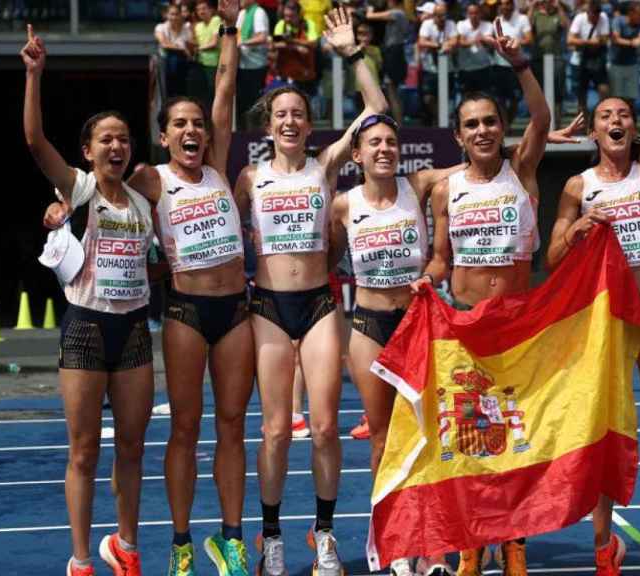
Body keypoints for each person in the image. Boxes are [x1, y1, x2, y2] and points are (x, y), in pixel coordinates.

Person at [234, 8, 388, 576]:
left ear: (309, 121)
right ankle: (270, 537)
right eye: (282, 114)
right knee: (276, 430)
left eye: (299, 113)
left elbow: (377, 112)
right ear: (269, 123)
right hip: (269, 307)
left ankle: (323, 534)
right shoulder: (250, 178)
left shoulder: (325, 167)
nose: (292, 121)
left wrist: (352, 55)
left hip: (322, 303)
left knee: (324, 426)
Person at [545, 0, 640, 572]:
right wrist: (577, 230)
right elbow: (554, 254)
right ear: (594, 128)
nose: (617, 120)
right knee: (608, 434)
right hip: (606, 316)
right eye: (607, 114)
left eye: (624, 114)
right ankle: (604, 547)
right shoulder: (578, 186)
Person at [412, 17, 560, 576]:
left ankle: (513, 540)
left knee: (519, 437)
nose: (482, 131)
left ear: (503, 127)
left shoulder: (522, 171)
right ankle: (473, 541)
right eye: (471, 125)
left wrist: (520, 63)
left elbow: (542, 119)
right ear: (459, 135)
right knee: (474, 436)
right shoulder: (447, 189)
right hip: (468, 326)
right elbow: (442, 258)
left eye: (490, 122)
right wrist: (428, 276)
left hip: (520, 325)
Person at [23, 26, 155, 576]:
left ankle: (125, 545)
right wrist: (34, 75)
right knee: (83, 452)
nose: (117, 146)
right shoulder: (78, 189)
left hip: (135, 333)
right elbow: (35, 142)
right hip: (85, 327)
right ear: (87, 150)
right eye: (106, 138)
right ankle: (80, 560)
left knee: (131, 450)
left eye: (123, 138)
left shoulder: (146, 200)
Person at [130, 3, 254, 574]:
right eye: (180, 124)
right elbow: (101, 191)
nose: (191, 131)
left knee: (232, 424)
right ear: (164, 135)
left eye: (197, 124)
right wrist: (64, 208)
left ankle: (230, 536)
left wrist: (229, 28)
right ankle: (181, 543)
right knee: (185, 428)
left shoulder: (220, 164)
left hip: (235, 311)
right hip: (183, 310)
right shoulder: (152, 180)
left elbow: (225, 84)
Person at [327, 113, 465, 576]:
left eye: (391, 141)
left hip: (416, 324)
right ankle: (397, 542)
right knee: (383, 438)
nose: (384, 148)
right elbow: (323, 261)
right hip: (367, 326)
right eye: (374, 143)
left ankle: (435, 548)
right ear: (358, 154)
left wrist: (540, 136)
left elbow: (479, 162)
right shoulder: (343, 206)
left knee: (428, 438)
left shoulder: (418, 183)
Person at [365, 0, 412, 121]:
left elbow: (369, 16)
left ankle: (398, 125)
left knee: (392, 92)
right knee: (391, 91)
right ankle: (396, 122)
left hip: (394, 53)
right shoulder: (403, 14)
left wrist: (370, 6)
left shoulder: (397, 13)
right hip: (395, 53)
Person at [493, 0, 534, 128]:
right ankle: (505, 128)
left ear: (512, 5)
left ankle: (507, 124)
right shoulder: (497, 21)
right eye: (502, 4)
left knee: (515, 99)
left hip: (517, 65)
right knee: (501, 100)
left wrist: (511, 41)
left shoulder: (522, 19)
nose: (505, 6)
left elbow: (529, 39)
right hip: (500, 65)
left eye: (507, 3)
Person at [528, 0, 569, 126]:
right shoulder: (536, 15)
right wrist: (532, 6)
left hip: (556, 58)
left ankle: (557, 122)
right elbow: (525, 26)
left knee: (558, 92)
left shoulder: (558, 14)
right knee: (539, 92)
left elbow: (566, 25)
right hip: (538, 58)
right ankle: (539, 123)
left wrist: (559, 7)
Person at [418, 2, 458, 126]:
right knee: (428, 98)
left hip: (448, 68)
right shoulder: (427, 24)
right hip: (430, 68)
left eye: (444, 15)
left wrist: (448, 44)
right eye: (439, 15)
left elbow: (454, 41)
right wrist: (439, 45)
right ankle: (439, 119)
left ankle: (443, 122)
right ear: (433, 15)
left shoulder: (451, 24)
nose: (442, 18)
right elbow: (422, 42)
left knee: (446, 98)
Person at [568, 1, 610, 115]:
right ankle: (585, 125)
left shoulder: (603, 17)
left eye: (597, 15)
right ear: (588, 13)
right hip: (580, 60)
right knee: (581, 95)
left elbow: (605, 38)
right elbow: (570, 40)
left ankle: (600, 117)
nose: (594, 18)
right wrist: (588, 42)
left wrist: (598, 41)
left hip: (598, 59)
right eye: (592, 15)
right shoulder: (579, 18)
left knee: (604, 90)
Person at [271, 1, 320, 95]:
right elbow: (275, 43)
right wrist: (296, 47)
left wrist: (292, 41)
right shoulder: (281, 24)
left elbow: (313, 44)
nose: (287, 19)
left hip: (305, 74)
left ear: (299, 14)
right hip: (286, 74)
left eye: (290, 16)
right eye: (285, 16)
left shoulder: (308, 25)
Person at [237, 0, 271, 129]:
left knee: (255, 104)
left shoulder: (258, 12)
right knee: (243, 104)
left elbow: (262, 37)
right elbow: (237, 35)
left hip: (256, 66)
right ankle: (245, 132)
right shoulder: (242, 13)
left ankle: (256, 133)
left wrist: (243, 43)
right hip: (242, 65)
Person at [609, 1, 640, 106]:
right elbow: (615, 39)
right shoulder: (618, 21)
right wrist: (631, 42)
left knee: (631, 98)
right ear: (631, 13)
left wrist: (631, 42)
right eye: (639, 15)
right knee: (617, 98)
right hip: (616, 64)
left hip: (632, 65)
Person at [156, 2, 196, 98]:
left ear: (181, 15)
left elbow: (192, 44)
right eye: (172, 14)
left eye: (177, 14)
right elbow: (164, 44)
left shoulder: (186, 27)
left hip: (183, 62)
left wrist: (188, 48)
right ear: (166, 15)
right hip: (166, 61)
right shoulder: (160, 27)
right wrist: (182, 48)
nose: (174, 17)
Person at [456, 3, 496, 95]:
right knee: (466, 98)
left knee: (485, 97)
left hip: (484, 68)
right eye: (471, 13)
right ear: (467, 14)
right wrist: (477, 39)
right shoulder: (461, 24)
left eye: (476, 13)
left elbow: (489, 43)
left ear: (480, 13)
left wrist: (469, 40)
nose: (474, 15)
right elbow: (461, 42)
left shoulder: (488, 25)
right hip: (465, 69)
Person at [190, 0, 223, 105]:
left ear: (211, 10)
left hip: (214, 63)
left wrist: (198, 48)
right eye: (198, 10)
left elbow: (214, 43)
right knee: (203, 92)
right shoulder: (198, 26)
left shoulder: (216, 20)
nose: (201, 12)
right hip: (200, 62)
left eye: (204, 8)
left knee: (214, 92)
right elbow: (195, 43)